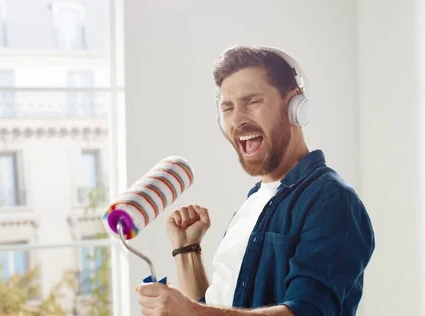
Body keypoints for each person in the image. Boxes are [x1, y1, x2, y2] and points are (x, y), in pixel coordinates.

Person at [136, 45, 375, 316]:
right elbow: (219, 309)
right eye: (227, 107)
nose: (237, 120)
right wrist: (187, 249)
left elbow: (306, 312)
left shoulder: (331, 201)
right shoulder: (256, 200)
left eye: (252, 102)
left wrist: (191, 312)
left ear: (295, 105)